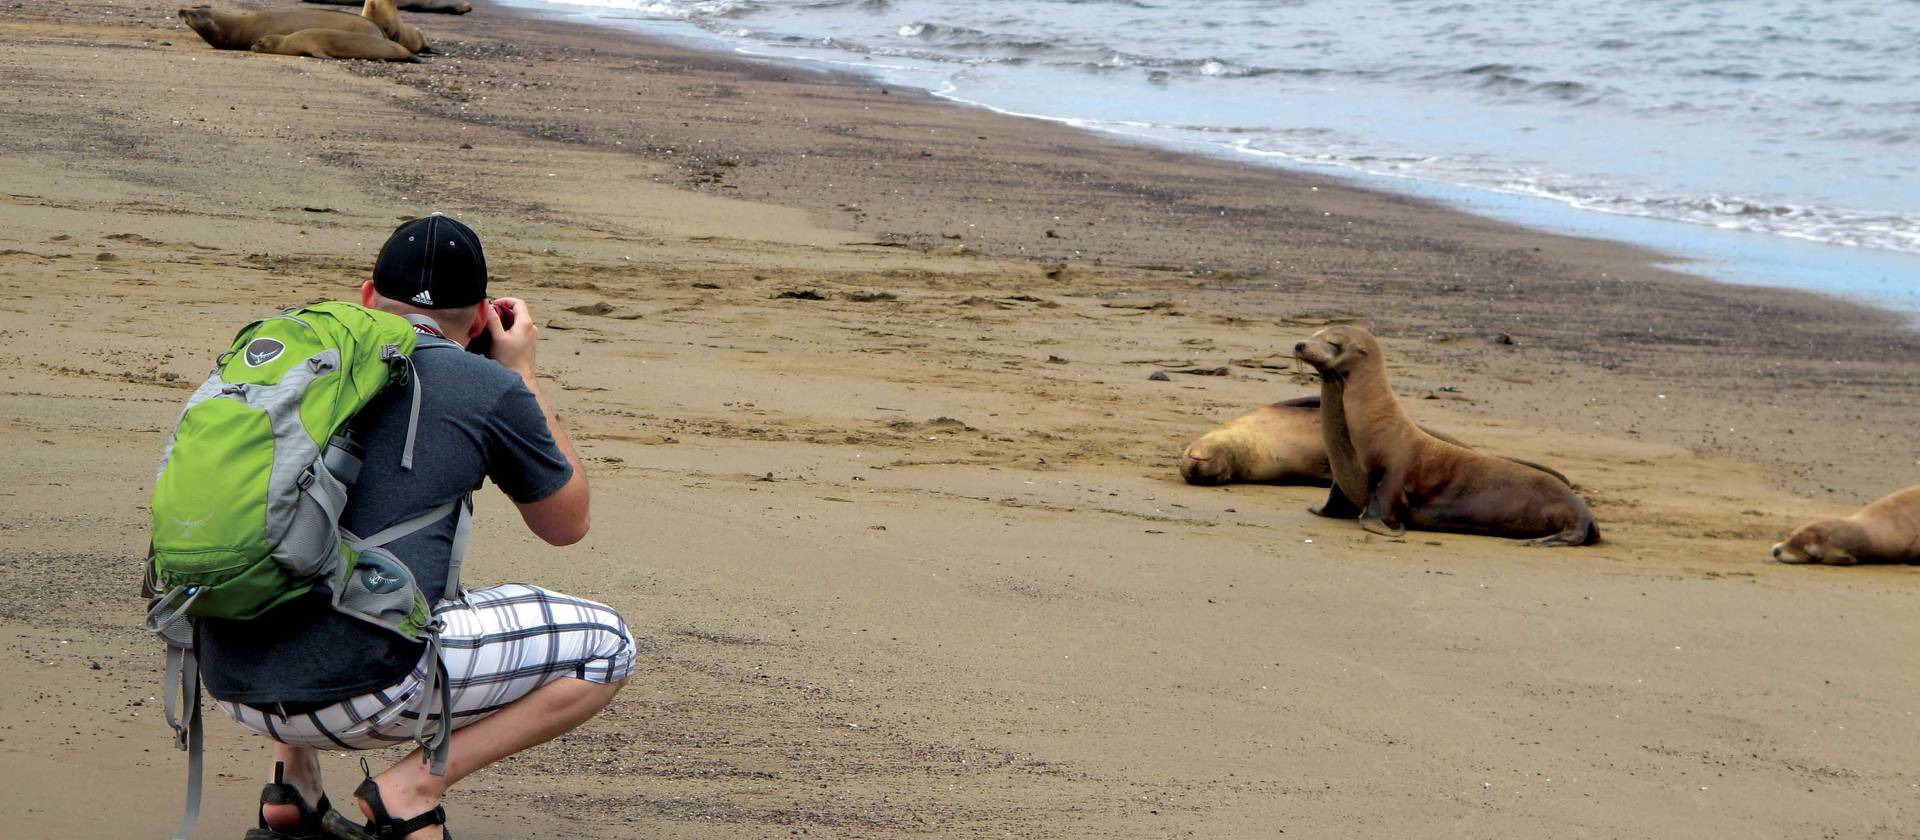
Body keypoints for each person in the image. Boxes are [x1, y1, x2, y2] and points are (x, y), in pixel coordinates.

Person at [195, 214, 635, 840]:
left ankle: (291, 785)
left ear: (367, 296)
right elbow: (567, 523)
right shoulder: (487, 385)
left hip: (231, 680)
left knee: (314, 532)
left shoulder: (298, 361)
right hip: (363, 692)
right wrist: (520, 375)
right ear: (481, 319)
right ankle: (413, 788)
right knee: (608, 644)